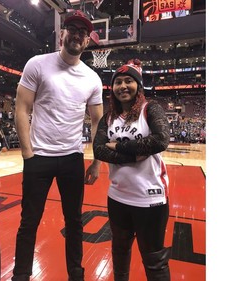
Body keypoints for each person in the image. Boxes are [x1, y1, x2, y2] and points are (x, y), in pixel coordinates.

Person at [11, 10, 104, 281]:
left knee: (75, 222)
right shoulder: (37, 64)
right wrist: (28, 154)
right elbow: (21, 108)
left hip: (73, 158)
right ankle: (20, 275)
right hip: (38, 157)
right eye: (72, 29)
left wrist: (97, 161)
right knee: (29, 222)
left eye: (83, 32)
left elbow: (98, 121)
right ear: (61, 33)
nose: (77, 35)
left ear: (88, 41)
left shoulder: (92, 78)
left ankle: (76, 274)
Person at [93, 59, 171, 281]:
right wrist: (134, 154)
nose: (123, 86)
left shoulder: (150, 109)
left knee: (154, 261)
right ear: (113, 88)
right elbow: (98, 150)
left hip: (150, 199)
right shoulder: (108, 118)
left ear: (138, 86)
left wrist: (118, 146)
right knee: (119, 253)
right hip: (117, 197)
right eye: (118, 82)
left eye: (129, 81)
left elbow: (160, 140)